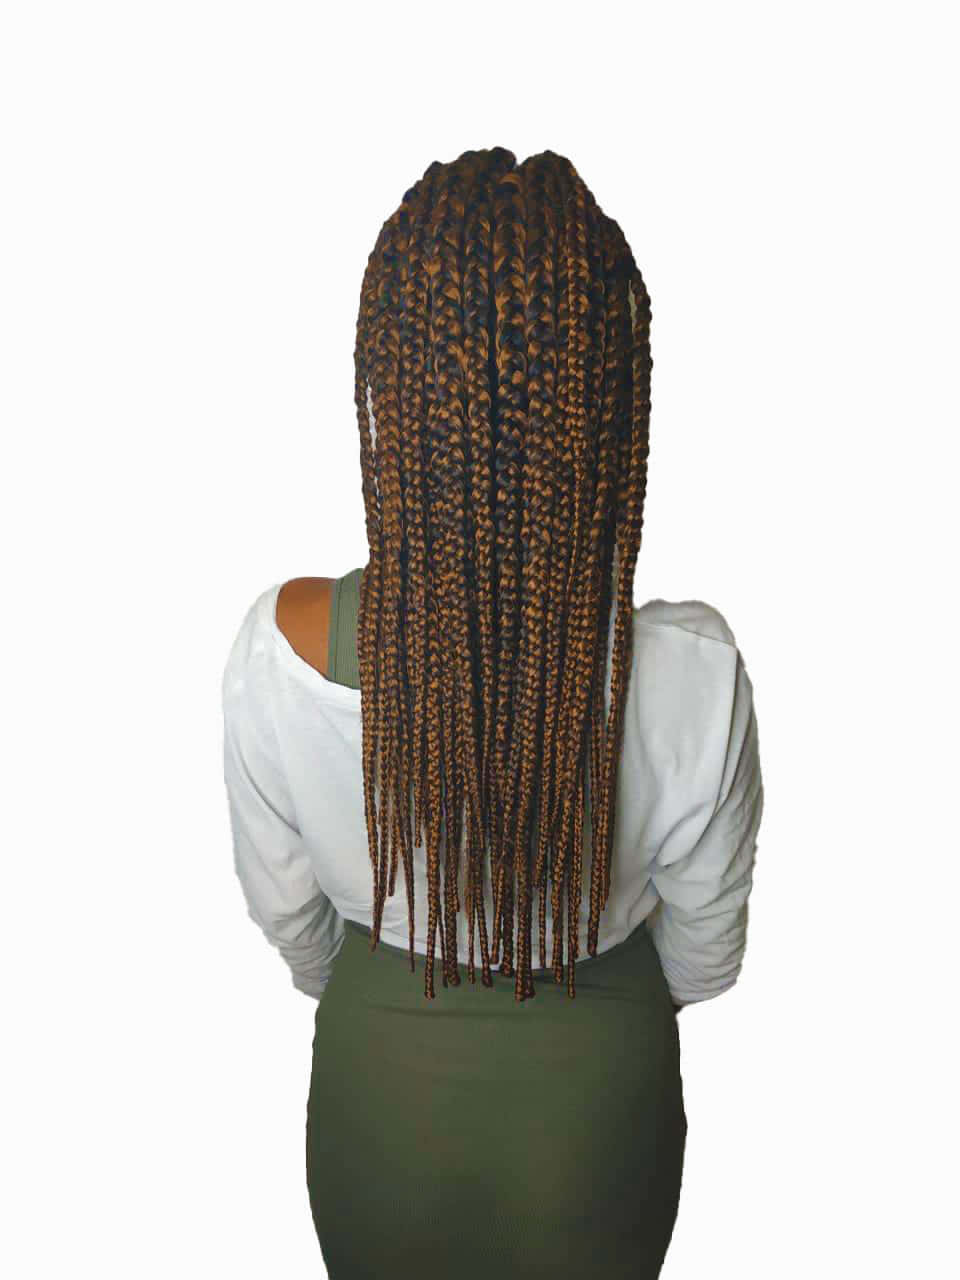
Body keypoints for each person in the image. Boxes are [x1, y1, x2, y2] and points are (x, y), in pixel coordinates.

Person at [221, 147, 764, 1279]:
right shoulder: (695, 673)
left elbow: (294, 925)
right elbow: (706, 959)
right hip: (598, 1119)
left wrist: (397, 962)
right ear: (608, 402)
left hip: (378, 1105)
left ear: (394, 386)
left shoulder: (281, 650)